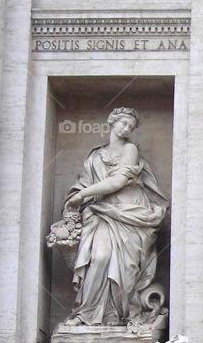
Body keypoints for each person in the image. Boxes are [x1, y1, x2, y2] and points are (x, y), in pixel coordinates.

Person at [54, 108, 167, 329]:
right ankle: (87, 314)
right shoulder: (95, 156)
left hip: (130, 213)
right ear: (111, 122)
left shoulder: (130, 149)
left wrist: (81, 196)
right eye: (123, 123)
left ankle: (116, 316)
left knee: (125, 266)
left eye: (130, 127)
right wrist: (77, 197)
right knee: (99, 257)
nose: (126, 129)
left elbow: (117, 182)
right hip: (101, 213)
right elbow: (83, 183)